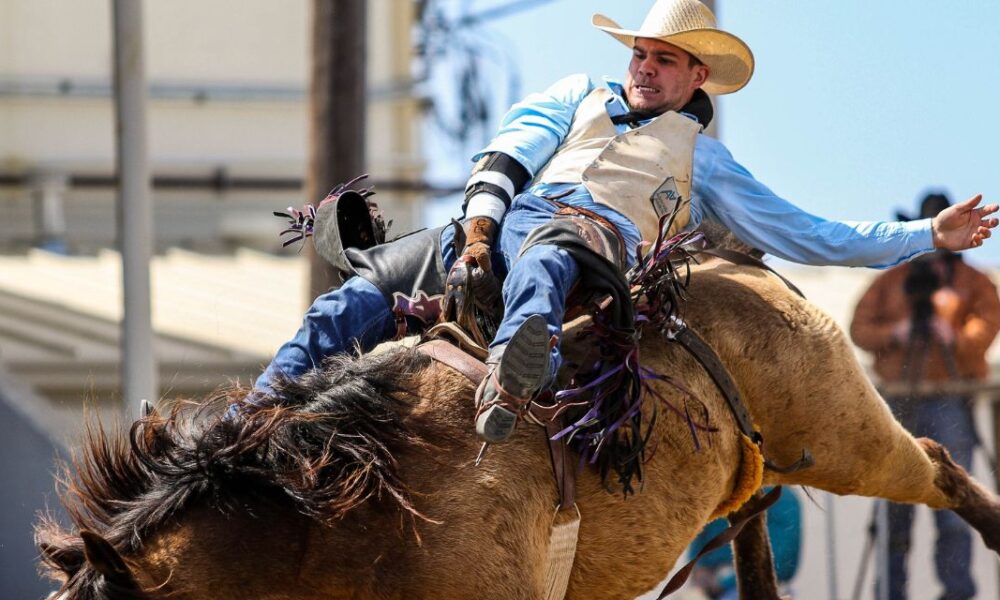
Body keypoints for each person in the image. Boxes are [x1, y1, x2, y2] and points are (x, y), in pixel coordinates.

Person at [248, 0, 998, 446]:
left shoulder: (708, 163)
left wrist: (926, 236)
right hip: (491, 225)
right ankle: (253, 415)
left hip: (590, 241)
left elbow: (812, 234)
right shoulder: (577, 93)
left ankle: (514, 377)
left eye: (664, 60)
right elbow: (509, 151)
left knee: (548, 257)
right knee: (352, 298)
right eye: (640, 53)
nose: (644, 67)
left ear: (697, 76)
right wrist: (477, 232)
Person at [850, 192, 1000, 600]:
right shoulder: (892, 280)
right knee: (893, 505)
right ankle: (890, 593)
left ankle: (956, 593)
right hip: (897, 403)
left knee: (956, 503)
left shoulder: (973, 282)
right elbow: (860, 329)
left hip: (950, 399)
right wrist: (895, 333)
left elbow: (987, 325)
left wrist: (955, 336)